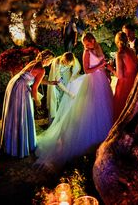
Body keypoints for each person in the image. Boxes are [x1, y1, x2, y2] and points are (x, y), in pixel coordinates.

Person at [35, 32, 113, 172]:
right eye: (84, 45)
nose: (86, 47)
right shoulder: (86, 53)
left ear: (93, 41)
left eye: (87, 44)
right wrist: (100, 65)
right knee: (90, 108)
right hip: (93, 81)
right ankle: (88, 139)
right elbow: (87, 70)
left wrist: (105, 70)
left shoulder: (98, 48)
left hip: (101, 80)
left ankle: (104, 137)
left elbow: (101, 62)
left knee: (103, 108)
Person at [0, 49, 57, 158]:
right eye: (51, 61)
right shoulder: (42, 69)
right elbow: (34, 88)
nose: (50, 63)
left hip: (14, 83)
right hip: (21, 89)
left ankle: (11, 143)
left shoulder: (33, 63)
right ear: (47, 59)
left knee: (13, 112)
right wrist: (38, 102)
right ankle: (19, 145)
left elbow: (33, 79)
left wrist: (50, 82)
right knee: (21, 113)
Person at [106, 31, 138, 122]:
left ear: (117, 42)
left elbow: (120, 75)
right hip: (134, 81)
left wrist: (111, 69)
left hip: (124, 84)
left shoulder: (120, 53)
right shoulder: (132, 51)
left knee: (121, 110)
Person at [47, 52, 81, 122]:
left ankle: (64, 122)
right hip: (56, 82)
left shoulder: (74, 61)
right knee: (55, 101)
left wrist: (72, 79)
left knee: (65, 101)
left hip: (65, 79)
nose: (65, 64)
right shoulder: (57, 62)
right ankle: (55, 122)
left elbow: (76, 71)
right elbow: (58, 81)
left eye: (68, 64)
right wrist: (68, 92)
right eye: (64, 62)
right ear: (63, 58)